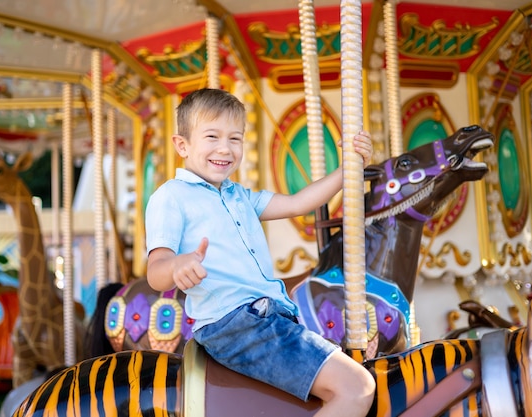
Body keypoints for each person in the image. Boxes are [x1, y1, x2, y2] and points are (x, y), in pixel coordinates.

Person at [145, 88, 375, 417]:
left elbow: (299, 203)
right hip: (237, 323)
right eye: (212, 136)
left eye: (235, 139)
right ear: (182, 145)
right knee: (357, 388)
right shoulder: (171, 196)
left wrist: (350, 166)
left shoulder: (239, 196)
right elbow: (156, 270)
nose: (225, 148)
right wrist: (178, 264)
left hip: (269, 316)